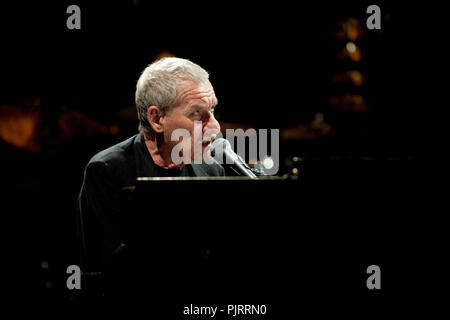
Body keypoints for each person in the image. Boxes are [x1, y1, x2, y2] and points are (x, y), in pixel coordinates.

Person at [76, 58, 225, 277]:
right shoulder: (106, 170)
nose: (215, 126)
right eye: (197, 113)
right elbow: (105, 266)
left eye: (212, 110)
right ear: (156, 119)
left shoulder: (212, 170)